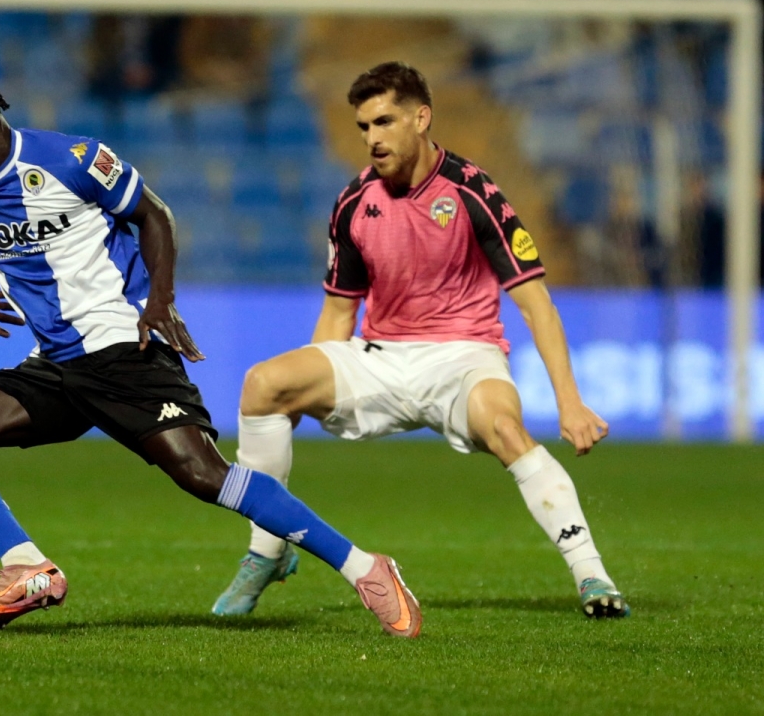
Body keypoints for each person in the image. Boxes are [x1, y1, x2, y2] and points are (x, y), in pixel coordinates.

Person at [0, 64, 422, 637]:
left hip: (122, 348)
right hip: (54, 363)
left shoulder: (72, 159)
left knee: (204, 475)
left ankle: (367, 568)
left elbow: (154, 215)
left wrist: (159, 301)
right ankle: (26, 567)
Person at [211, 62, 629, 621]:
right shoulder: (355, 202)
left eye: (384, 122)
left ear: (421, 117)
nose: (372, 138)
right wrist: (309, 386)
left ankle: (592, 574)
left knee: (506, 430)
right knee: (263, 385)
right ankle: (267, 551)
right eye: (363, 127)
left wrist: (570, 402)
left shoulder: (474, 193)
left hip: (465, 356)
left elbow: (537, 305)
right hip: (382, 357)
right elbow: (340, 309)